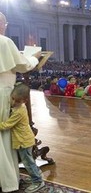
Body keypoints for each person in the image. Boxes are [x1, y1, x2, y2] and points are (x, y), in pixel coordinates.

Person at [0, 11, 40, 192]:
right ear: (2, 24)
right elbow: (24, 65)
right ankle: (7, 182)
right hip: (2, 93)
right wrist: (34, 57)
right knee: (3, 140)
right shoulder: (4, 42)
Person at [0, 84, 45, 192]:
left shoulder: (19, 111)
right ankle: (37, 177)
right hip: (25, 140)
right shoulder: (19, 107)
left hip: (23, 141)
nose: (14, 102)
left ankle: (38, 181)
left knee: (28, 163)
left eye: (18, 101)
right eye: (13, 99)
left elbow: (7, 125)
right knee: (29, 162)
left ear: (25, 100)